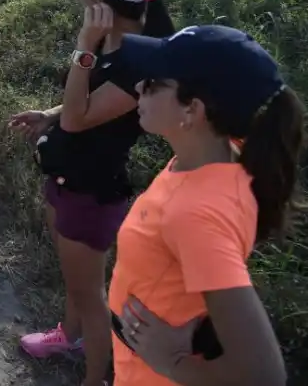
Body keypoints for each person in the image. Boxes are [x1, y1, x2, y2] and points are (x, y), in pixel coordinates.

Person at [8, 0, 175, 386]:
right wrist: (50, 114)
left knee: (91, 296)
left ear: (98, 0)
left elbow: (81, 118)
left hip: (91, 192)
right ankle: (69, 336)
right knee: (77, 284)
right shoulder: (116, 45)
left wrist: (84, 46)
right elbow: (82, 105)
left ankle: (97, 378)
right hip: (69, 180)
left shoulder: (136, 60)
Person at [107, 25, 301, 386]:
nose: (137, 88)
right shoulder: (219, 161)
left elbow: (265, 375)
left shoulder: (195, 214)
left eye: (151, 83)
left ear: (192, 110)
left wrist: (175, 365)